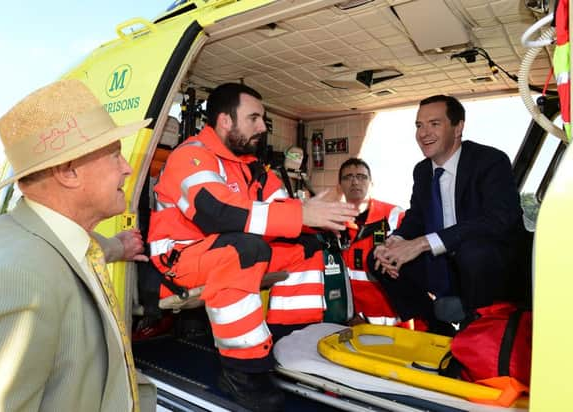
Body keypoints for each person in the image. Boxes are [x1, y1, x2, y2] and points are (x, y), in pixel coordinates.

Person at [0, 79, 156, 411]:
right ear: (68, 171)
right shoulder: (19, 277)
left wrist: (118, 247)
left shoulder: (28, 232)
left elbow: (83, 248)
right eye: (114, 155)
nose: (127, 169)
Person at [147, 83, 357, 411]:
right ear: (225, 121)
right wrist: (301, 213)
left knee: (310, 245)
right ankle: (242, 370)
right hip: (181, 259)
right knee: (245, 249)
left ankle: (289, 337)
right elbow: (214, 212)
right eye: (254, 118)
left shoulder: (252, 167)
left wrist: (315, 217)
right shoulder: (190, 155)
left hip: (226, 247)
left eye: (262, 120)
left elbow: (280, 208)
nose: (262, 127)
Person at [371, 94, 524, 335]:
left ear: (458, 127)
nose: (424, 133)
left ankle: (478, 333)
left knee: (472, 252)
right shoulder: (422, 171)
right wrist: (397, 241)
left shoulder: (490, 161)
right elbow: (417, 217)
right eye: (419, 125)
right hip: (443, 262)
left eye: (434, 124)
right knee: (379, 258)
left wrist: (423, 243)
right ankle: (437, 329)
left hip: (488, 264)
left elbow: (500, 219)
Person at [337, 158, 404, 326]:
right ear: (339, 186)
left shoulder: (394, 216)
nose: (355, 181)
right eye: (348, 177)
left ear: (371, 183)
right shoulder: (334, 223)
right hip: (353, 322)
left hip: (397, 323)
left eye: (361, 176)